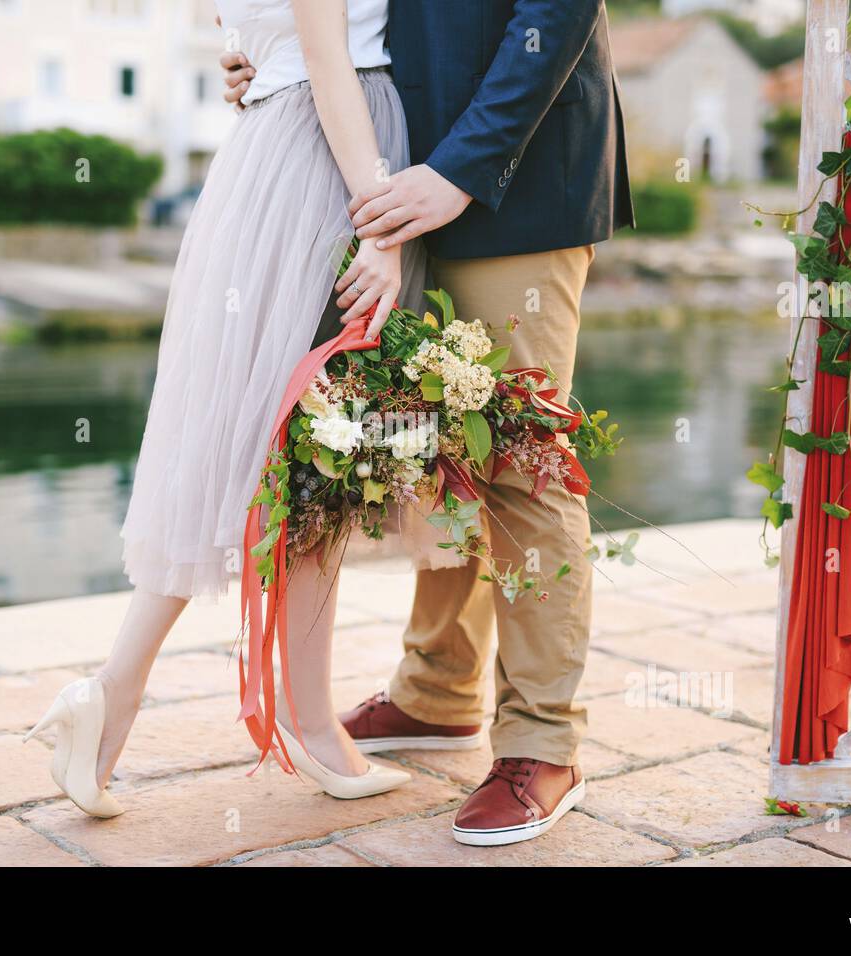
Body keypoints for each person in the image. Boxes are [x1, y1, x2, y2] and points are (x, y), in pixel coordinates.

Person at [222, 0, 634, 845]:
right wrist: (283, 60)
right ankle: (439, 691)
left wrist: (460, 170)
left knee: (521, 458)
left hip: (513, 177)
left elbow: (554, 14)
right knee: (441, 448)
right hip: (391, 176)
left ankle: (543, 742)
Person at [24, 0, 426, 816]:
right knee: (318, 443)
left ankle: (120, 699)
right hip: (331, 153)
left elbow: (261, 36)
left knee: (297, 445)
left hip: (292, 150)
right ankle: (290, 718)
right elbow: (326, 57)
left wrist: (251, 59)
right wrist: (377, 223)